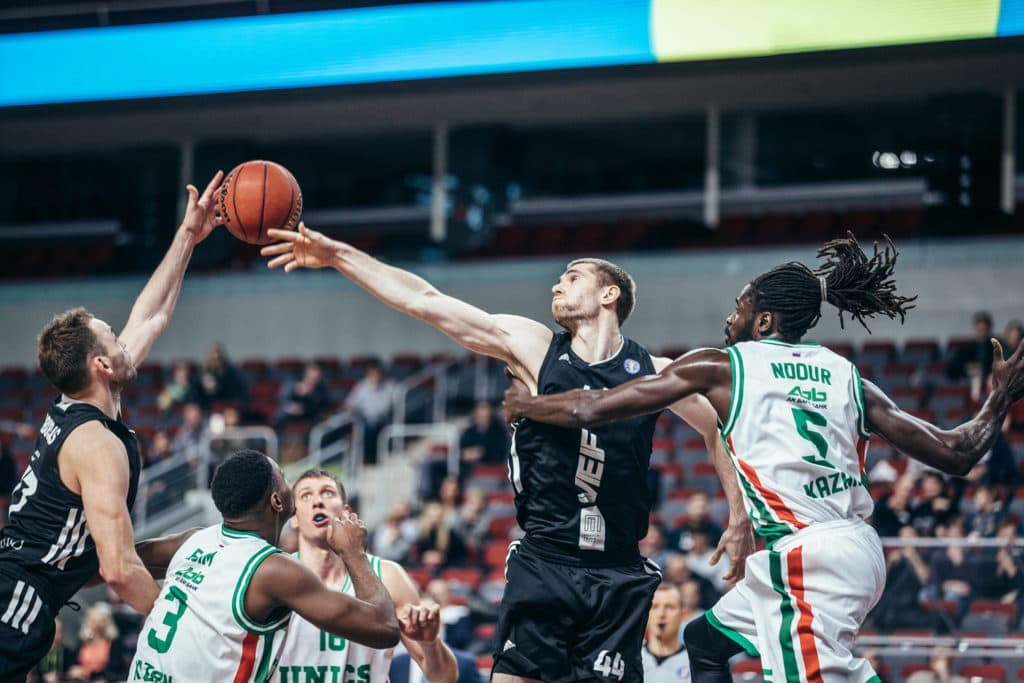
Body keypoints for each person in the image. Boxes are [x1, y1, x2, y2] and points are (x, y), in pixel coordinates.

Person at [502, 234, 1024, 682]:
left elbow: (595, 405)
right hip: (854, 550)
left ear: (765, 319)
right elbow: (957, 452)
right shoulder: (845, 375)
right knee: (704, 642)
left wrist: (529, 406)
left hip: (810, 557)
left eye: (739, 308)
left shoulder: (723, 365)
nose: (730, 319)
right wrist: (999, 398)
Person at [261, 223, 753, 683]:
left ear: (610, 294)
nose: (557, 285)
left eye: (572, 277)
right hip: (546, 560)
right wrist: (337, 255)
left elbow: (715, 426)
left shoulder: (653, 371)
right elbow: (424, 300)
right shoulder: (536, 348)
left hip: (618, 570)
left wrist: (738, 512)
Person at [0, 171, 225, 681]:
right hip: (15, 602)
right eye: (113, 338)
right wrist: (190, 632)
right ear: (102, 365)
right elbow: (119, 572)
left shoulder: (85, 398)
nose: (124, 340)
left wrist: (188, 235)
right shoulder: (96, 444)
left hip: (23, 591)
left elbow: (152, 316)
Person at [129, 450, 399, 681]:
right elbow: (384, 628)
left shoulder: (193, 540)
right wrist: (354, 553)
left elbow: (121, 559)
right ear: (277, 501)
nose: (290, 484)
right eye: (284, 478)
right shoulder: (273, 570)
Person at [277, 469, 457, 683]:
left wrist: (430, 644)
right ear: (294, 518)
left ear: (346, 512)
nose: (317, 502)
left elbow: (444, 678)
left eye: (327, 493)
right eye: (306, 495)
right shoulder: (277, 577)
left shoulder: (388, 575)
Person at [345, 358, 399, 465]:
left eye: (377, 373)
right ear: (368, 374)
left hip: (383, 421)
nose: (375, 376)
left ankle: (370, 458)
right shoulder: (361, 386)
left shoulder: (390, 386)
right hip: (364, 420)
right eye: (372, 374)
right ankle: (367, 458)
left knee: (372, 425)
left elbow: (392, 406)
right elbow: (349, 405)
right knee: (365, 427)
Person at [642, 582, 692, 683]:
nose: (661, 614)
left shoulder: (695, 664)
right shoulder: (630, 659)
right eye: (655, 607)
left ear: (683, 615)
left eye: (669, 607)